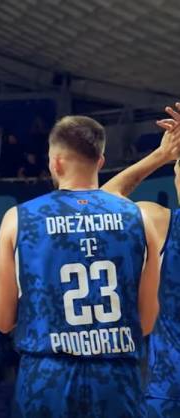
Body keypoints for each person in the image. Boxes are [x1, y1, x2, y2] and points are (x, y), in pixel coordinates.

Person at [0, 116, 161, 417]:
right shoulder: (139, 219)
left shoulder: (18, 219)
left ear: (56, 162)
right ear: (101, 161)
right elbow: (146, 322)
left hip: (46, 378)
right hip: (117, 380)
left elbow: (4, 320)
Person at [101, 104, 180, 417]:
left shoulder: (161, 223)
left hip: (169, 393)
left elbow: (101, 202)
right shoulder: (164, 224)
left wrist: (161, 155)